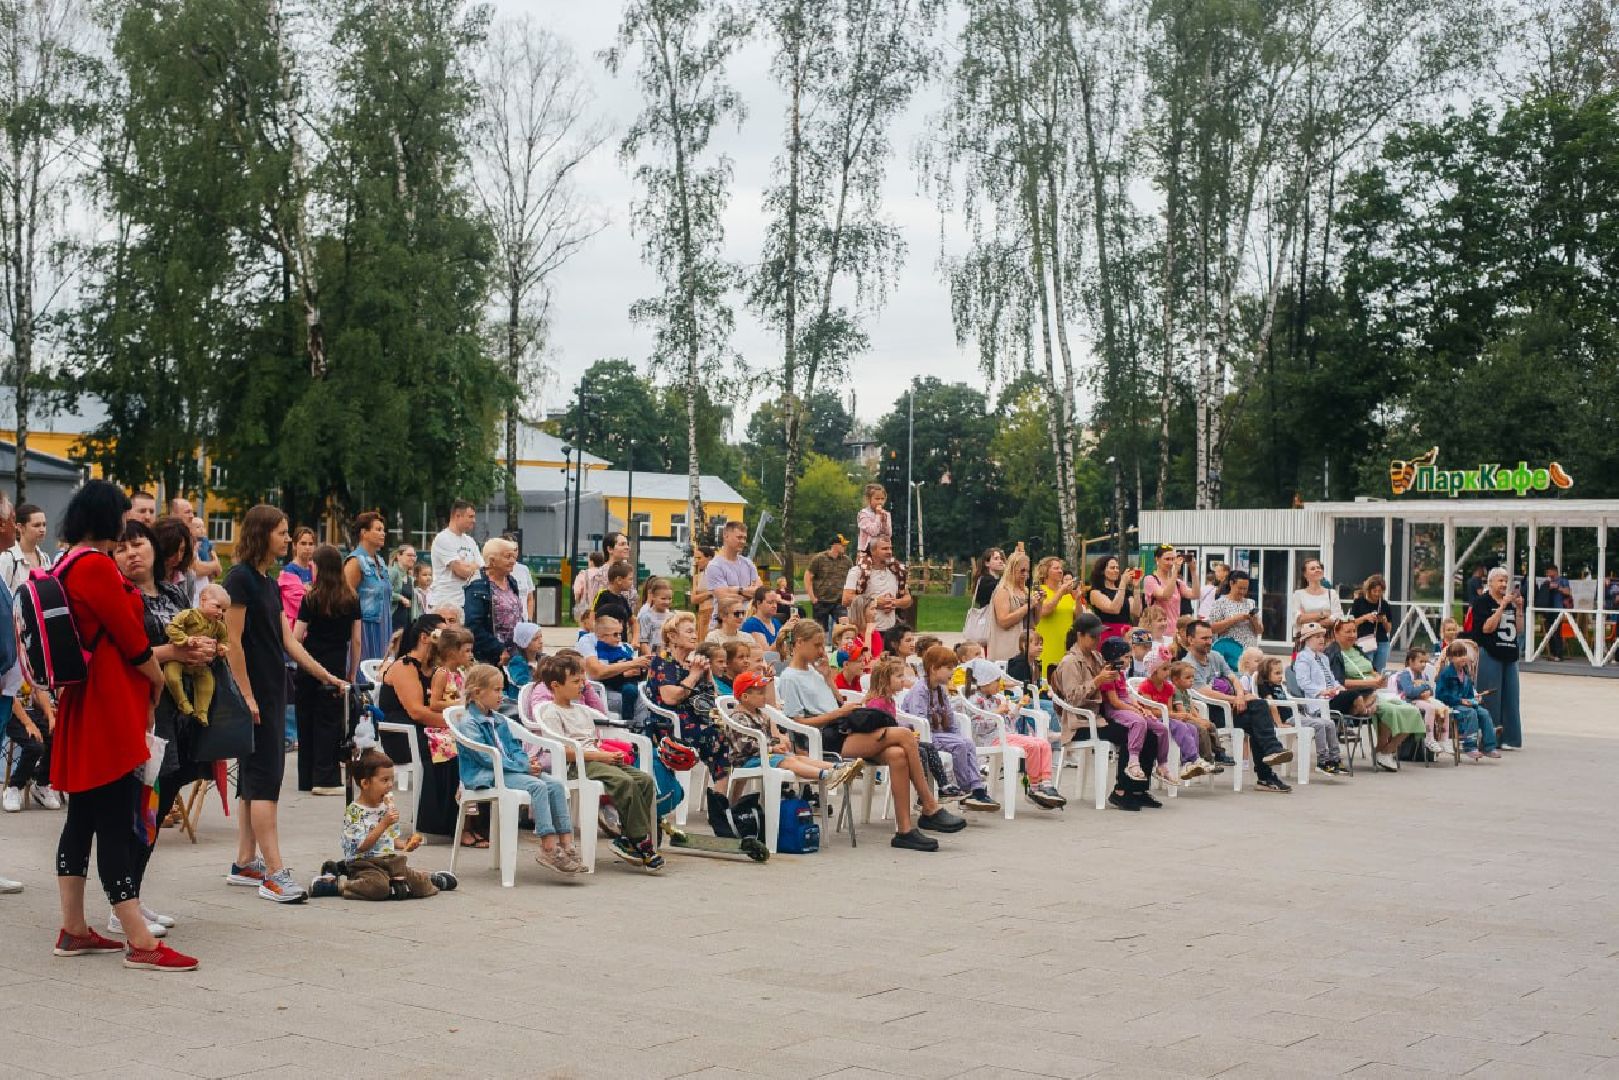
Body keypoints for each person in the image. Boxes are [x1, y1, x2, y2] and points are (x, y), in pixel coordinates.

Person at [47, 481, 197, 970]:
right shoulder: (93, 566)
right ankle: (140, 940)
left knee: (84, 817)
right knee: (115, 816)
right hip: (108, 707)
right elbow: (134, 642)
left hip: (85, 703)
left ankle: (73, 928)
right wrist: (158, 684)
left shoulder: (67, 561)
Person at [223, 505, 351, 903]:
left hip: (273, 690)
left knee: (253, 778)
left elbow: (288, 640)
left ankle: (246, 862)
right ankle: (274, 874)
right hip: (256, 693)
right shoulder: (240, 579)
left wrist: (324, 673)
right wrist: (246, 694)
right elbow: (233, 643)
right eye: (281, 532)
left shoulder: (267, 580)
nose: (288, 540)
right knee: (265, 782)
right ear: (262, 534)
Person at [776, 621, 964, 850]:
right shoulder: (789, 677)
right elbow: (796, 723)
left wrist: (827, 679)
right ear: (799, 643)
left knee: (897, 754)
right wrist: (839, 712)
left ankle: (905, 830)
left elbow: (835, 702)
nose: (820, 651)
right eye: (816, 645)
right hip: (824, 737)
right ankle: (930, 806)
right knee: (904, 735)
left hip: (841, 728)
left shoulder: (815, 673)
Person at [113, 517, 214, 938]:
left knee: (160, 803)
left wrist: (205, 647)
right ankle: (120, 904)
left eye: (138, 544)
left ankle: (133, 897)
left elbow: (191, 632)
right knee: (138, 808)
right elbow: (123, 653)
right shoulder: (120, 595)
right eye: (122, 548)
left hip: (179, 711)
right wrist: (173, 649)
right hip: (141, 711)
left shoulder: (172, 591)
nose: (132, 553)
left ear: (154, 548)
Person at [534, 652, 663, 870]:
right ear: (555, 685)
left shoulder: (582, 710)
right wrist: (602, 756)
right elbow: (564, 751)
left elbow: (601, 730)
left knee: (644, 780)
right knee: (625, 782)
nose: (582, 685)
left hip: (598, 759)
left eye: (583, 680)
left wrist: (607, 753)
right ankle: (641, 841)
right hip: (577, 765)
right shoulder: (550, 712)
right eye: (575, 682)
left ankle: (629, 838)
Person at [455, 664, 585, 875]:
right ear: (478, 692)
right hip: (484, 775)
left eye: (502, 689)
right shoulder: (470, 723)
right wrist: (523, 768)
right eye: (496, 690)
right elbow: (486, 758)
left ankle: (567, 843)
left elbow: (514, 748)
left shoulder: (498, 720)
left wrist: (527, 763)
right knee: (537, 786)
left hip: (510, 771)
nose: (502, 695)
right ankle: (548, 847)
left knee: (555, 785)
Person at [379, 617, 484, 847]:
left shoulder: (439, 670)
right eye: (441, 634)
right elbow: (416, 711)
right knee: (452, 746)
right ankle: (446, 822)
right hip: (403, 732)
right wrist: (456, 726)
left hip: (431, 728)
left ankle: (470, 821)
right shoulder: (404, 666)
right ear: (424, 638)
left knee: (474, 745)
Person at [309, 748, 457, 900]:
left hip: (389, 860)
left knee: (418, 884)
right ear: (365, 783)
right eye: (384, 780)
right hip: (365, 863)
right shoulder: (355, 811)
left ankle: (431, 879)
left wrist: (406, 844)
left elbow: (390, 840)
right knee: (378, 887)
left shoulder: (385, 807)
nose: (390, 785)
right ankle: (336, 887)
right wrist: (383, 823)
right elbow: (361, 847)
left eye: (391, 779)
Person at [1049, 613, 1162, 809]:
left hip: (1100, 716)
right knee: (1129, 733)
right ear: (1080, 635)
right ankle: (1121, 791)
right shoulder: (1070, 662)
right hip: (1081, 722)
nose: (1097, 640)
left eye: (1098, 635)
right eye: (1092, 636)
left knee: (1150, 734)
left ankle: (1138, 789)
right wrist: (1097, 681)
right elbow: (1071, 698)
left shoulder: (1096, 656)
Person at [1183, 619, 1293, 793]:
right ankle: (1267, 769)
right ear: (1190, 639)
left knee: (1259, 708)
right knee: (1258, 720)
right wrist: (1235, 700)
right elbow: (1203, 692)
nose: (1209, 642)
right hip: (1210, 714)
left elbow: (1234, 677)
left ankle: (1270, 761)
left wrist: (1241, 695)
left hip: (1231, 708)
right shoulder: (1188, 664)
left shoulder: (1215, 657)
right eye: (1204, 638)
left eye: (1210, 638)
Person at [293, 544, 361, 795]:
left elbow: (297, 636)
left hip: (309, 663)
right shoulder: (351, 598)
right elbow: (356, 640)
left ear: (320, 568)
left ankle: (306, 778)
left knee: (306, 718)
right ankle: (326, 777)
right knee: (329, 721)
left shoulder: (310, 598)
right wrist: (352, 671)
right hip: (335, 664)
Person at [901, 646, 1000, 811]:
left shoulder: (940, 690)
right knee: (959, 745)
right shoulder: (920, 691)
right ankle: (966, 789)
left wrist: (957, 735)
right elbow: (919, 722)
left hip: (938, 734)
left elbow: (951, 719)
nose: (952, 672)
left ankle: (976, 788)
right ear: (933, 668)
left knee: (967, 742)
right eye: (948, 668)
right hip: (922, 738)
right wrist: (955, 739)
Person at [725, 670, 859, 788]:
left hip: (764, 756)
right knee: (788, 761)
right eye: (760, 693)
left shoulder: (760, 714)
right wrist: (772, 748)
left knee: (798, 758)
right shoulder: (738, 718)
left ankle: (838, 768)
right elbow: (745, 746)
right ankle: (827, 776)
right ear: (745, 697)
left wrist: (779, 744)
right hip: (747, 761)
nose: (764, 696)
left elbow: (768, 738)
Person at [1325, 616, 1423, 772]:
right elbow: (1340, 682)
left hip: (1375, 690)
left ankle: (1385, 750)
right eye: (1347, 632)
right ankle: (1385, 751)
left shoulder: (1356, 649)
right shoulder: (1333, 652)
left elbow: (1371, 669)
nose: (1352, 635)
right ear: (1336, 634)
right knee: (1391, 710)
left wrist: (1378, 677)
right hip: (1357, 695)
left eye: (1354, 631)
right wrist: (1371, 683)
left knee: (1412, 710)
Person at [962, 658, 1064, 807]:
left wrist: (1017, 708)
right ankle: (1035, 786)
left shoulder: (996, 699)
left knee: (1043, 743)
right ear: (985, 682)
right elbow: (978, 728)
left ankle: (1046, 782)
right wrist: (997, 713)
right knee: (1032, 746)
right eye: (996, 681)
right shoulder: (975, 700)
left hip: (1006, 735)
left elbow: (1007, 720)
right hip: (992, 739)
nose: (1000, 685)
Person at [1095, 638, 1176, 787]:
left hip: (1126, 706)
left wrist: (1140, 708)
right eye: (1126, 657)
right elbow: (1115, 702)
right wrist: (1135, 711)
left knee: (1161, 728)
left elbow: (1126, 696)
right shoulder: (1108, 675)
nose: (1129, 660)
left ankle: (1162, 764)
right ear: (1114, 656)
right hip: (1115, 711)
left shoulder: (1121, 674)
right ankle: (1133, 761)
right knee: (1138, 722)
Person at [1254, 653, 1341, 775]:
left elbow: (1288, 699)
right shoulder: (1266, 687)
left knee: (1330, 723)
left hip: (1296, 717)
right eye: (1277, 673)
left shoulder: (1279, 686)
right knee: (1319, 725)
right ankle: (1323, 762)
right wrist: (1279, 723)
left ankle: (1335, 759)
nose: (1280, 677)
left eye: (1281, 673)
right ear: (1266, 675)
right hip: (1288, 720)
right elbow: (1271, 705)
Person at [159, 583, 232, 727]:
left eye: (224, 610)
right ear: (203, 600)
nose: (220, 613)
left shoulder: (219, 626)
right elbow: (172, 628)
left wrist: (222, 648)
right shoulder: (188, 615)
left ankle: (202, 711)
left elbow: (224, 640)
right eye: (217, 607)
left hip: (199, 664)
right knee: (172, 677)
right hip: (177, 657)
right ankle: (183, 703)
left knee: (207, 682)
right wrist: (186, 639)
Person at [1468, 567, 1523, 750]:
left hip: (1510, 653)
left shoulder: (1510, 603)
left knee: (1511, 697)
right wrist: (1501, 607)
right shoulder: (1482, 602)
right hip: (1490, 651)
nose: (1504, 584)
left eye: (1506, 581)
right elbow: (1486, 628)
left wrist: (1520, 609)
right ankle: (1491, 737)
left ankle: (1510, 737)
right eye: (1500, 581)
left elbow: (1519, 629)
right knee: (1491, 696)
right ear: (1490, 583)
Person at [1290, 622, 1353, 775]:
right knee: (1355, 696)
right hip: (1317, 701)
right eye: (1317, 637)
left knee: (1334, 718)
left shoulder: (1323, 658)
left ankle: (1334, 759)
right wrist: (1322, 691)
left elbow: (1332, 679)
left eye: (1323, 636)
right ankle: (1324, 760)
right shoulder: (1303, 658)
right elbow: (1303, 683)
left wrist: (1338, 687)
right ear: (1307, 640)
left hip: (1331, 696)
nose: (1321, 640)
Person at [1137, 660, 1216, 778]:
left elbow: (1168, 710)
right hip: (1152, 719)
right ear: (1153, 671)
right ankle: (1194, 758)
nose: (1168, 672)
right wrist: (1175, 715)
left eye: (1168, 668)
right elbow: (1151, 711)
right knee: (1180, 725)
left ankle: (1187, 764)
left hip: (1166, 717)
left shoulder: (1169, 687)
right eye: (1164, 669)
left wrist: (1175, 715)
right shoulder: (1146, 686)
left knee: (1192, 728)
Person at [342, 512, 392, 666]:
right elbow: (344, 599)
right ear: (364, 533)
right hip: (364, 631)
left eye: (383, 530)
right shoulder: (355, 562)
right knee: (364, 673)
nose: (383, 534)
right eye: (378, 529)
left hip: (383, 629)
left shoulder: (380, 562)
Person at [465, 536, 524, 665]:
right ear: (492, 561)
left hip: (515, 653)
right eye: (507, 557)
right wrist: (498, 649)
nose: (513, 561)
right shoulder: (478, 586)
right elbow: (473, 626)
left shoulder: (511, 581)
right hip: (492, 657)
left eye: (513, 557)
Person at [1435, 642, 1495, 762]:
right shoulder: (1446, 673)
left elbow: (1469, 694)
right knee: (1470, 713)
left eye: (1463, 654)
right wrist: (1460, 700)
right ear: (1451, 658)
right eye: (1458, 655)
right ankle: (1470, 746)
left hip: (1464, 704)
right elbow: (1440, 695)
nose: (1462, 657)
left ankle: (1488, 746)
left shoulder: (1466, 673)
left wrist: (1473, 700)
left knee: (1484, 713)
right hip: (1451, 705)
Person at [587, 615, 647, 724]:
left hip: (632, 680)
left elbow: (634, 664)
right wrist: (624, 674)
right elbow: (605, 675)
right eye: (615, 635)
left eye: (620, 634)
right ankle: (628, 721)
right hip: (615, 684)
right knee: (630, 691)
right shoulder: (602, 652)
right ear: (601, 636)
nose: (619, 638)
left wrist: (640, 670)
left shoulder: (623, 648)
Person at [1395, 647, 1453, 757]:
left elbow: (1430, 689)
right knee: (1430, 708)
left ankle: (1444, 739)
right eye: (1421, 661)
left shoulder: (1423, 674)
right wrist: (1424, 687)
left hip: (1422, 699)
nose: (1423, 664)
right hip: (1409, 701)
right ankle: (1429, 738)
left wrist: (1427, 691)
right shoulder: (1405, 675)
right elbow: (1409, 692)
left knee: (1445, 708)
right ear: (1411, 661)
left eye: (1425, 662)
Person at [704, 521, 763, 628]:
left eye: (744, 538)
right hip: (722, 626)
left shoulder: (748, 563)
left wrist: (731, 590)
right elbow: (724, 599)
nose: (743, 541)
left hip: (747, 625)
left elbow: (759, 592)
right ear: (726, 536)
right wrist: (744, 591)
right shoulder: (715, 565)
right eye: (739, 537)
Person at [427, 500, 482, 614]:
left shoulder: (470, 541)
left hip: (465, 603)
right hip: (444, 604)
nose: (474, 521)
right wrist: (472, 566)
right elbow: (462, 571)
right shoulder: (443, 538)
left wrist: (468, 567)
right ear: (457, 516)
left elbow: (482, 570)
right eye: (470, 516)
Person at [1031, 556, 1081, 676]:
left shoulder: (1067, 594)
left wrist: (1078, 599)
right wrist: (1061, 592)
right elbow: (1045, 610)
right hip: (1047, 644)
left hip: (1065, 645)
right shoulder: (1039, 591)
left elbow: (1078, 618)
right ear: (1045, 572)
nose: (1060, 571)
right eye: (1056, 568)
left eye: (1061, 568)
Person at [1208, 569, 1264, 669]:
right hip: (1230, 651)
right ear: (1231, 584)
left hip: (1250, 651)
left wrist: (1254, 620)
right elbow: (1212, 628)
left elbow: (1260, 630)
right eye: (1240, 588)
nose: (1242, 592)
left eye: (1245, 589)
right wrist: (1234, 619)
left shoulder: (1250, 603)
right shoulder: (1220, 603)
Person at [986, 550, 1034, 663]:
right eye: (1022, 571)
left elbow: (1034, 622)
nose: (1025, 575)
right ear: (1012, 570)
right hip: (1007, 648)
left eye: (1028, 571)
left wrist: (1039, 603)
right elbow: (1003, 621)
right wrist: (1028, 606)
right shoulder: (1003, 591)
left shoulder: (1026, 591)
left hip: (1024, 649)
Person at [1087, 555, 1141, 646]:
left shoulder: (1125, 592)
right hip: (1108, 634)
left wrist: (1136, 587)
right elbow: (1114, 609)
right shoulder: (1096, 592)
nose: (1116, 570)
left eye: (1117, 568)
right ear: (1102, 571)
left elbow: (1137, 612)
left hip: (1126, 634)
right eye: (1112, 568)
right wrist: (1123, 583)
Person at [0, 502, 54, 591]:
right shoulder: (7, 558)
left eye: (44, 525)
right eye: (36, 525)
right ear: (20, 527)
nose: (42, 530)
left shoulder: (45, 558)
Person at [803, 535, 851, 631]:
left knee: (844, 628)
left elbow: (851, 579)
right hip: (821, 601)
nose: (845, 547)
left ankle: (842, 645)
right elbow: (808, 576)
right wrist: (812, 598)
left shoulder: (847, 561)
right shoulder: (819, 559)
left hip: (839, 601)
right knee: (819, 630)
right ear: (835, 545)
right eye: (842, 545)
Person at [576, 532, 631, 615]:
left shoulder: (628, 572)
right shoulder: (599, 576)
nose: (627, 547)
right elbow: (594, 605)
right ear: (610, 549)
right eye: (622, 544)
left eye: (627, 544)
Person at [1348, 574, 1396, 671]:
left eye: (1380, 591)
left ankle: (1376, 686)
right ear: (1368, 590)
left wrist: (1384, 621)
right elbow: (1351, 623)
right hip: (1364, 639)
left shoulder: (1384, 604)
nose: (1377, 594)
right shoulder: (1359, 602)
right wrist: (1365, 618)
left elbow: (1389, 629)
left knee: (1379, 670)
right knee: (1366, 668)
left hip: (1382, 641)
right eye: (1375, 591)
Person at [1142, 545, 1197, 625]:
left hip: (1174, 630)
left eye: (1173, 559)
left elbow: (1195, 595)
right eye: (1167, 559)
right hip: (1158, 630)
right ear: (1157, 559)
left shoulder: (1178, 582)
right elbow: (1165, 596)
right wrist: (1175, 572)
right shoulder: (1150, 579)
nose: (1170, 563)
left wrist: (1193, 571)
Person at [592, 559, 639, 648]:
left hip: (621, 645)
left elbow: (633, 622)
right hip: (605, 646)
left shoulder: (623, 599)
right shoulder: (602, 595)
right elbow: (592, 619)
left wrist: (635, 640)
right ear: (619, 580)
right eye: (630, 579)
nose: (632, 582)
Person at [1289, 557, 1342, 636]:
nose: (1317, 570)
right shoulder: (1298, 595)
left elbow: (1338, 618)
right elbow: (1298, 619)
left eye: (1319, 568)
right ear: (1305, 574)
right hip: (1305, 641)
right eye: (1313, 569)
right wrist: (1322, 614)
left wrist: (1308, 619)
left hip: (1328, 641)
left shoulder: (1332, 594)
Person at [1533, 563, 1572, 661]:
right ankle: (1553, 653)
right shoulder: (1547, 582)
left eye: (1548, 571)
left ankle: (1559, 654)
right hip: (1548, 610)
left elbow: (1568, 592)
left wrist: (1557, 587)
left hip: (1558, 609)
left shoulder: (1563, 581)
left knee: (1557, 632)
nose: (1547, 574)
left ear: (1554, 571)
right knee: (1549, 632)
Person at [741, 585, 788, 653]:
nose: (774, 606)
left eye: (776, 602)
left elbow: (784, 651)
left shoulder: (776, 622)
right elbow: (767, 654)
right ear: (758, 603)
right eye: (770, 602)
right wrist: (783, 632)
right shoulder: (752, 624)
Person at [636, 576, 675, 651]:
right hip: (652, 656)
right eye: (663, 599)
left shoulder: (672, 617)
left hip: (668, 656)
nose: (667, 602)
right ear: (653, 597)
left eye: (670, 599)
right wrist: (651, 658)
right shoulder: (646, 617)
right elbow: (643, 642)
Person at [388, 544, 419, 636]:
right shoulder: (392, 572)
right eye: (409, 555)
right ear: (399, 556)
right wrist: (400, 598)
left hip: (407, 622)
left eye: (414, 556)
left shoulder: (410, 578)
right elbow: (383, 592)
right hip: (392, 619)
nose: (412, 558)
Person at [506, 621, 543, 692]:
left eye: (541, 637)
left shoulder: (542, 659)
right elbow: (522, 682)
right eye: (535, 639)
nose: (541, 641)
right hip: (520, 700)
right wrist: (537, 675)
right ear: (524, 643)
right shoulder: (517, 662)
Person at [856, 482, 892, 557]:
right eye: (877, 499)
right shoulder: (863, 514)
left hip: (881, 551)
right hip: (866, 553)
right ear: (869, 499)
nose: (880, 502)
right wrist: (878, 516)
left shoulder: (886, 514)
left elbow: (888, 534)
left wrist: (884, 521)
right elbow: (873, 531)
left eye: (882, 499)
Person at [689, 545, 716, 632]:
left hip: (713, 614)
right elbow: (693, 600)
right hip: (701, 614)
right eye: (695, 558)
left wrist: (701, 596)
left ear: (709, 558)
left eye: (699, 558)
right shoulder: (697, 577)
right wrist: (710, 593)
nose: (696, 562)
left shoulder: (718, 575)